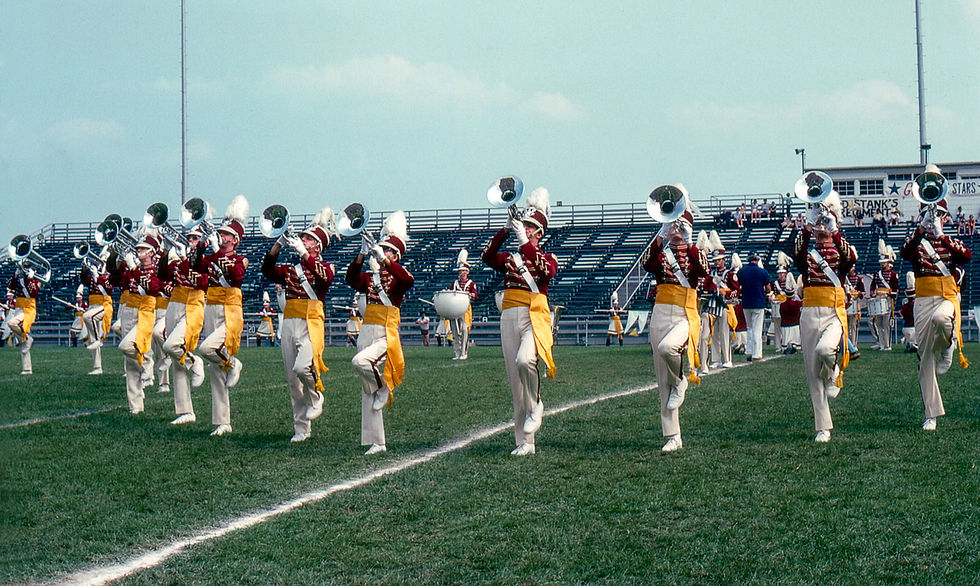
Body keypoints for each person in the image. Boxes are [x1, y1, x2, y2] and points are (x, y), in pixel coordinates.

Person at [481, 184, 557, 457]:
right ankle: (525, 442)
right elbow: (487, 256)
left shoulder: (548, 256)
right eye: (522, 224)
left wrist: (524, 243)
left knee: (526, 360)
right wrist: (504, 230)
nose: (523, 228)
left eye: (528, 226)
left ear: (539, 232)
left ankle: (536, 404)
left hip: (533, 316)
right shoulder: (510, 258)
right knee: (515, 382)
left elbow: (545, 271)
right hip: (508, 316)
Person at [899, 175, 972, 432]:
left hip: (946, 297)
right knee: (925, 357)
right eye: (930, 215)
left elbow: (967, 256)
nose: (934, 219)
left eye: (939, 214)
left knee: (942, 320)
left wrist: (942, 237)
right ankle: (931, 414)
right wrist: (921, 230)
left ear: (945, 216)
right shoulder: (917, 242)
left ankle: (949, 344)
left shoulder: (948, 241)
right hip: (923, 297)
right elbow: (904, 252)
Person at [641, 185, 709, 452]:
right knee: (662, 381)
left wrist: (690, 242)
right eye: (675, 229)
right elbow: (647, 264)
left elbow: (702, 270)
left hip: (685, 313)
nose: (677, 233)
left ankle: (681, 378)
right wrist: (661, 234)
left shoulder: (693, 253)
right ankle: (673, 436)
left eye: (681, 229)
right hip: (661, 311)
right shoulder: (663, 253)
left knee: (668, 349)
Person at [791, 175, 857, 443]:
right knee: (811, 372)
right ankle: (822, 427)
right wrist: (808, 224)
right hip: (809, 310)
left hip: (832, 309)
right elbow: (795, 253)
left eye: (824, 222)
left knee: (825, 350)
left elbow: (849, 260)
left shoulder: (841, 245)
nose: (821, 227)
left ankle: (834, 372)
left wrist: (835, 229)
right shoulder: (807, 249)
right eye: (819, 222)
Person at [261, 207, 336, 443]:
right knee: (292, 381)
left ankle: (316, 396)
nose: (303, 240)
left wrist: (304, 254)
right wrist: (279, 244)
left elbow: (326, 278)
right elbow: (267, 270)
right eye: (303, 238)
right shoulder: (291, 270)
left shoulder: (326, 266)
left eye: (308, 239)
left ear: (317, 246)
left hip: (311, 321)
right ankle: (301, 428)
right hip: (290, 320)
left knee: (302, 367)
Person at [347, 210, 414, 455]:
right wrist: (363, 252)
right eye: (381, 249)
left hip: (386, 332)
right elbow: (351, 279)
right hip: (367, 329)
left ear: (396, 255)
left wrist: (386, 262)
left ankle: (384, 387)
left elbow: (407, 281)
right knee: (367, 390)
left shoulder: (397, 277)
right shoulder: (370, 278)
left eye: (387, 250)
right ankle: (376, 441)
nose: (382, 253)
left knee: (361, 363)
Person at [192, 195, 249, 436]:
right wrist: (202, 245)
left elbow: (235, 276)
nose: (221, 237)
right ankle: (222, 421)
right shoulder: (212, 256)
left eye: (226, 235)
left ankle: (233, 362)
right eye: (221, 234)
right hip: (211, 306)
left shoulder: (240, 258)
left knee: (207, 349)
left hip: (230, 310)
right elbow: (195, 266)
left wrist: (217, 252)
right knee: (215, 372)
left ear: (235, 239)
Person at [159, 227, 207, 426]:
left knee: (171, 346)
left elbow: (203, 282)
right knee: (174, 358)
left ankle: (195, 362)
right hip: (175, 302)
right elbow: (162, 274)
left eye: (196, 238)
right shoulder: (179, 257)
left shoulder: (205, 260)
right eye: (190, 238)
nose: (192, 240)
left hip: (194, 303)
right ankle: (185, 411)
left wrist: (186, 258)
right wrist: (165, 251)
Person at [115, 235, 163, 414]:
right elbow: (115, 279)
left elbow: (152, 287)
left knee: (127, 346)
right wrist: (118, 259)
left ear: (151, 252)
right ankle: (135, 406)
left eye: (143, 249)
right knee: (129, 362)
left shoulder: (157, 269)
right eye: (138, 249)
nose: (139, 251)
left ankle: (147, 364)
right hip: (129, 308)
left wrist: (133, 267)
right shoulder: (131, 268)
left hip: (146, 309)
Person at [706, 231, 738, 369]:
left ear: (724, 260)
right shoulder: (711, 274)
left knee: (724, 333)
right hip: (713, 305)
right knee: (714, 333)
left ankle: (727, 359)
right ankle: (716, 359)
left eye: (719, 260)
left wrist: (724, 293)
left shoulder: (730, 274)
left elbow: (736, 291)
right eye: (715, 260)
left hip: (725, 305)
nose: (717, 262)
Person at [80, 251, 114, 375]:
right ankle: (97, 367)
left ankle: (97, 340)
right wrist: (84, 269)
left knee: (88, 318)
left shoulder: (109, 275)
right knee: (91, 337)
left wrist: (98, 277)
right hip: (92, 304)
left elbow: (108, 289)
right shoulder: (95, 274)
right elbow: (85, 280)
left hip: (104, 304)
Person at [5, 263, 43, 375]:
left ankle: (28, 339)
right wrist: (15, 275)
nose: (24, 269)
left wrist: (31, 279)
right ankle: (27, 369)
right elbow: (10, 287)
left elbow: (34, 293)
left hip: (28, 308)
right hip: (19, 307)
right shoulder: (20, 278)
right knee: (22, 342)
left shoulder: (37, 280)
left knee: (11, 323)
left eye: (27, 267)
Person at [736, 252, 771, 362]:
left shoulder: (741, 272)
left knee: (749, 328)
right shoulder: (763, 272)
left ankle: (749, 351)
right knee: (757, 329)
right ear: (757, 259)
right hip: (758, 302)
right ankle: (757, 354)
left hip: (746, 302)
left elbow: (739, 285)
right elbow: (768, 288)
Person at [868, 240, 899, 351]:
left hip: (887, 299)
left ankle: (888, 345)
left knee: (886, 324)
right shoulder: (877, 274)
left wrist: (891, 293)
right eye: (881, 262)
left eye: (884, 262)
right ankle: (881, 344)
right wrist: (872, 292)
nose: (882, 264)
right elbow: (873, 285)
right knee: (879, 323)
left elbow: (896, 289)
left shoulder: (894, 274)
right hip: (878, 299)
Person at [449, 250, 478, 360]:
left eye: (463, 271)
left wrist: (469, 294)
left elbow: (475, 296)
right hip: (455, 310)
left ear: (467, 272)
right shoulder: (454, 283)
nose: (461, 273)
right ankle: (457, 352)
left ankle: (464, 352)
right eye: (460, 271)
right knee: (455, 332)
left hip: (465, 310)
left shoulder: (471, 284)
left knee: (465, 330)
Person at [778, 273, 803, 354]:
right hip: (795, 325)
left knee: (786, 338)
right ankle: (794, 346)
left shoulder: (782, 305)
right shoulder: (797, 304)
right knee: (795, 337)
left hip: (785, 326)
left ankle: (787, 346)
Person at [843, 267, 865, 356]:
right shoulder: (844, 279)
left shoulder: (859, 279)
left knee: (854, 326)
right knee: (846, 326)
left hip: (855, 304)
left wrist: (860, 294)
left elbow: (863, 292)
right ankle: (847, 344)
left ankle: (854, 344)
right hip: (846, 303)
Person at [899, 272, 917, 353]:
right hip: (913, 328)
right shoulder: (916, 305)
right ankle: (913, 344)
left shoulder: (904, 305)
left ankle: (909, 343)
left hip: (905, 328)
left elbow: (900, 312)